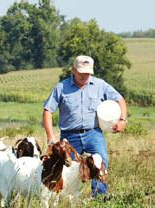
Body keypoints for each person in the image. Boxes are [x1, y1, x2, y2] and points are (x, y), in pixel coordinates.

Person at [42, 55, 127, 198]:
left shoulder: (100, 85)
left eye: (88, 72)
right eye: (81, 72)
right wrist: (50, 137)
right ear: (73, 70)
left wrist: (123, 120)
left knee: (100, 163)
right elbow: (47, 111)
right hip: (69, 136)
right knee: (67, 169)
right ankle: (68, 198)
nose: (84, 75)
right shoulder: (62, 87)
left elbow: (120, 99)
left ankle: (99, 198)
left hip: (93, 134)